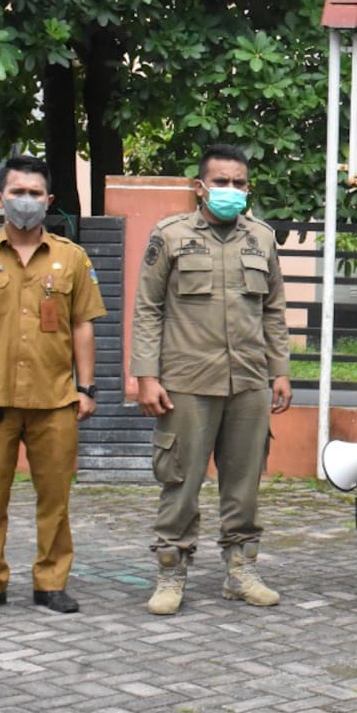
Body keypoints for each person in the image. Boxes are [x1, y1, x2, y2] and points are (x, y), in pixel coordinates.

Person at [131, 143, 292, 616]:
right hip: (186, 380)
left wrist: (279, 371)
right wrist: (146, 375)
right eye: (221, 182)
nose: (230, 190)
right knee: (180, 479)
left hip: (247, 380)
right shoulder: (171, 235)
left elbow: (274, 311)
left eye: (239, 183)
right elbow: (148, 308)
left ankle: (240, 571)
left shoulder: (261, 238)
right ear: (199, 186)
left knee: (243, 482)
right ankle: (171, 570)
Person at [0, 155, 105, 617]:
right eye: (17, 192)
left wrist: (87, 388)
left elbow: (83, 327)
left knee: (54, 497)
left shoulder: (72, 258)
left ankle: (51, 582)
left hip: (55, 401)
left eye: (35, 193)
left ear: (49, 201)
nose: (26, 201)